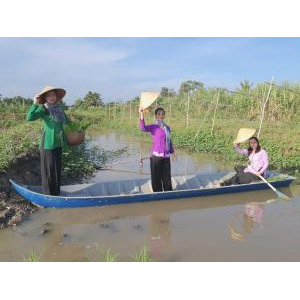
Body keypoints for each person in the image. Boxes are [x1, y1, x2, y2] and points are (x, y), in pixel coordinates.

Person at [26, 86, 69, 196]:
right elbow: (29, 117)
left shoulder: (59, 109)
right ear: (45, 97)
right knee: (48, 171)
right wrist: (35, 103)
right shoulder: (44, 109)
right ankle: (48, 195)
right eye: (49, 95)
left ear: (56, 96)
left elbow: (67, 122)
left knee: (56, 169)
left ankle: (56, 194)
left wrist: (80, 128)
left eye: (53, 95)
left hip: (58, 143)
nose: (52, 97)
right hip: (48, 144)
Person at [139, 107, 176, 192]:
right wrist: (142, 114)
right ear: (155, 116)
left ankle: (168, 193)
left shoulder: (167, 128)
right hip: (156, 156)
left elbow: (169, 141)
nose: (161, 115)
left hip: (166, 156)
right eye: (159, 114)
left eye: (163, 114)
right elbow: (143, 128)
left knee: (167, 177)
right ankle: (157, 194)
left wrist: (173, 153)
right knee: (156, 178)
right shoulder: (154, 127)